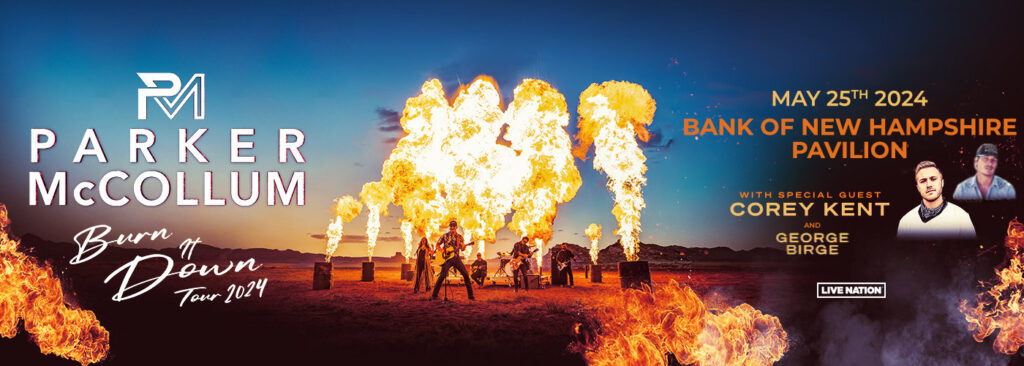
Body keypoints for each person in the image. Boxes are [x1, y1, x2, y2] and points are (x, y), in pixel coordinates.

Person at [897, 160, 977, 240]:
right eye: (923, 181)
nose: (929, 185)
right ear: (918, 188)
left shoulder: (961, 217)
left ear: (942, 183)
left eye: (933, 179)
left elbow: (972, 251)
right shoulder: (906, 222)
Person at [431, 220, 475, 300]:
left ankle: (471, 296)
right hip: (447, 258)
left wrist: (464, 246)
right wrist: (442, 251)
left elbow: (462, 249)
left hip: (456, 258)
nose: (452, 228)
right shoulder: (445, 236)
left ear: (456, 227)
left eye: (453, 226)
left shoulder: (459, 237)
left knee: (465, 274)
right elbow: (437, 244)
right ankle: (434, 295)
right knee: (442, 276)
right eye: (450, 226)